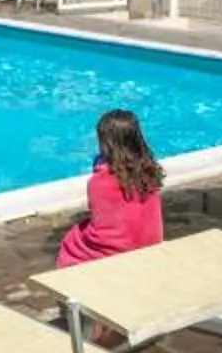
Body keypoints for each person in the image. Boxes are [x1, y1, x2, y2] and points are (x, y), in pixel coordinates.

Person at [57, 109, 167, 268]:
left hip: (119, 249)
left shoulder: (99, 182)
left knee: (71, 241)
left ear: (105, 143)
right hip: (151, 241)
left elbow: (102, 225)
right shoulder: (150, 170)